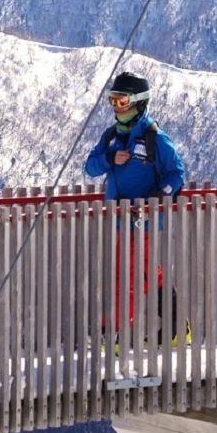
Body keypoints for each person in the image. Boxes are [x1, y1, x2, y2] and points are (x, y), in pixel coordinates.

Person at [84, 71, 186, 343]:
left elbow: (176, 174)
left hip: (143, 220)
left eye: (123, 101)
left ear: (139, 102)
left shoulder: (155, 138)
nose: (117, 108)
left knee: (127, 273)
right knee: (148, 271)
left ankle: (116, 333)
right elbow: (90, 167)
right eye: (113, 101)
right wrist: (109, 159)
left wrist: (156, 197)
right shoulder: (111, 137)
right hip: (119, 219)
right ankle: (177, 328)